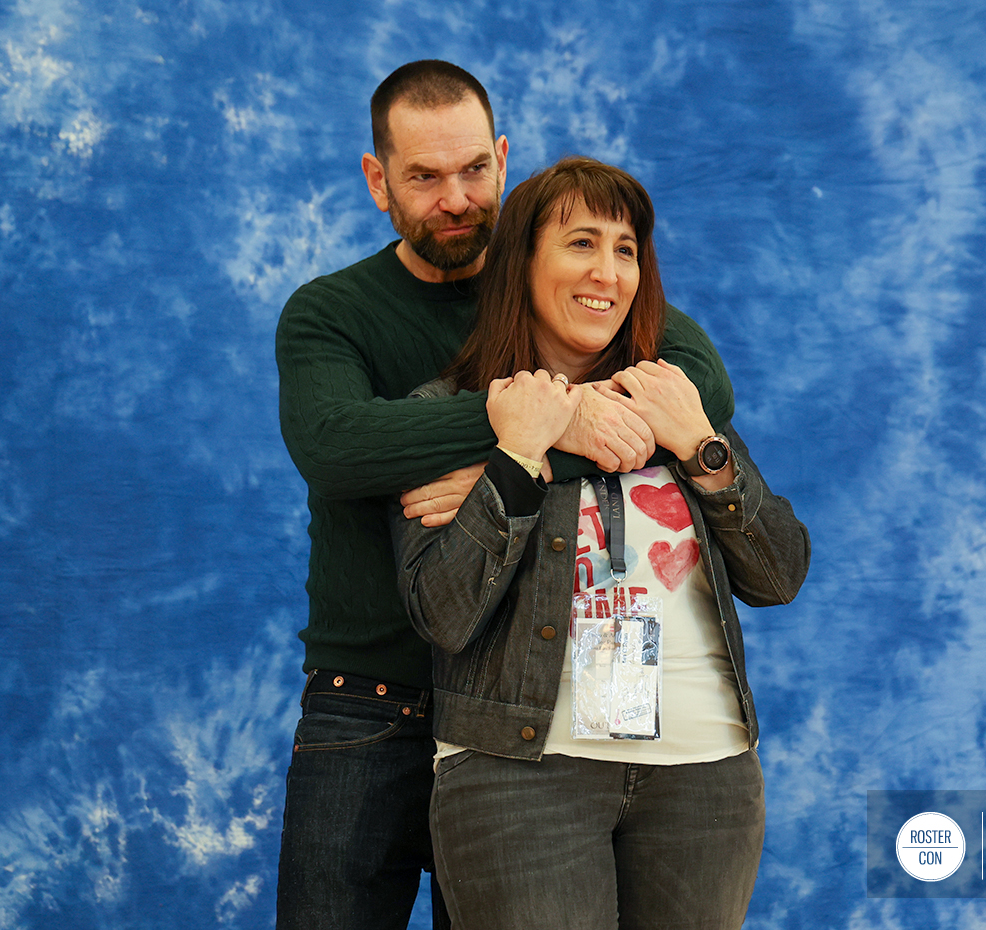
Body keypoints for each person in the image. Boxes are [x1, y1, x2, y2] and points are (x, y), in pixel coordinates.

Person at [274, 62, 738, 929]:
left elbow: (699, 388)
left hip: (523, 710)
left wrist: (537, 460)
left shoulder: (559, 278)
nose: (455, 198)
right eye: (423, 177)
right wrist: (537, 427)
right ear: (378, 181)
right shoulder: (329, 313)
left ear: (502, 156)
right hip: (370, 696)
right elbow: (336, 447)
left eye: (475, 170)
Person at [390, 157, 811, 929]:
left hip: (704, 772)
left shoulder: (675, 399)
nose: (608, 272)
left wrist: (701, 448)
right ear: (522, 262)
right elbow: (442, 614)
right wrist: (515, 462)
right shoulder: (452, 415)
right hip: (522, 775)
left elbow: (780, 573)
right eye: (582, 242)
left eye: (626, 250)